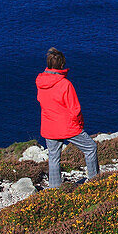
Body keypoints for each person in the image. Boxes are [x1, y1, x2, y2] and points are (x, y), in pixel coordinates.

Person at [35, 47, 98, 188]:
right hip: (67, 126)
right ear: (62, 64)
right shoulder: (65, 84)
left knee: (53, 157)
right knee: (91, 148)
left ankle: (55, 189)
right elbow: (75, 109)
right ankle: (95, 182)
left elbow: (41, 100)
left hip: (49, 126)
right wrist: (80, 125)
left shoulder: (40, 83)